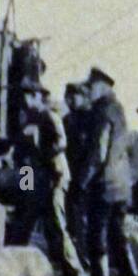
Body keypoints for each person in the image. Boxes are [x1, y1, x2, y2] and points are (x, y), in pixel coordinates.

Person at [5, 81, 88, 276]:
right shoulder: (27, 118)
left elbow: (62, 143)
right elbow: (23, 153)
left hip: (53, 177)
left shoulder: (49, 116)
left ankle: (75, 272)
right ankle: (11, 269)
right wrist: (24, 186)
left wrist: (43, 157)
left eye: (28, 96)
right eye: (23, 96)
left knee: (56, 226)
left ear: (37, 96)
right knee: (22, 221)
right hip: (34, 177)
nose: (24, 101)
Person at [77, 67, 138, 276]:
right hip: (122, 184)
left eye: (90, 87)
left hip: (104, 184)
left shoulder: (101, 112)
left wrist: (81, 182)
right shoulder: (119, 109)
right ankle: (130, 275)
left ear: (102, 87)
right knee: (118, 232)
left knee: (97, 234)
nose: (88, 91)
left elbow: (98, 153)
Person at [62, 82, 92, 249]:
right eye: (67, 97)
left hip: (86, 176)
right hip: (70, 175)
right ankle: (76, 251)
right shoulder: (67, 120)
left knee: (86, 218)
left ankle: (85, 253)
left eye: (73, 97)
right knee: (72, 217)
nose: (69, 101)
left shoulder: (91, 118)